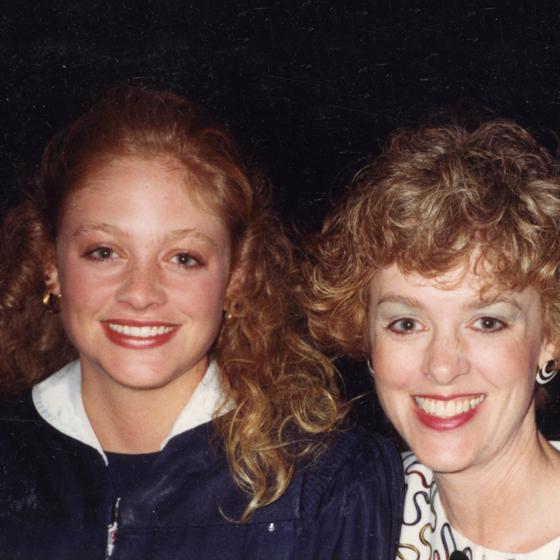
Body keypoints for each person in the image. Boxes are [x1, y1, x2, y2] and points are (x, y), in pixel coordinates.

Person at [0, 86, 403, 559]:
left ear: (236, 277)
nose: (140, 293)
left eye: (183, 258)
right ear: (50, 263)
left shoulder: (326, 483)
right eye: (104, 252)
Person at [305, 118, 560, 558]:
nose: (442, 366)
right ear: (364, 335)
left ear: (550, 337)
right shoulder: (350, 518)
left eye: (486, 323)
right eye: (406, 324)